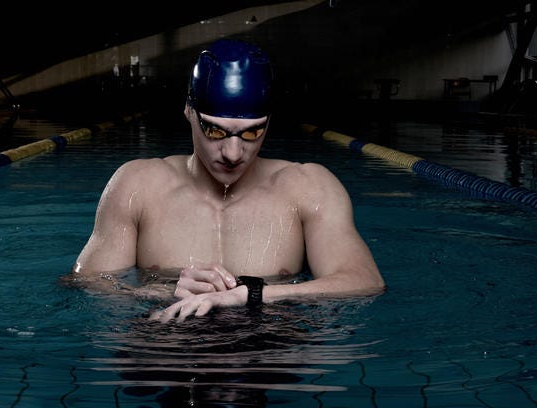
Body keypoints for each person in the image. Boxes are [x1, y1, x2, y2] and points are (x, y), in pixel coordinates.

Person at [71, 38, 385, 322]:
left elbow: (364, 281)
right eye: (215, 131)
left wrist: (251, 295)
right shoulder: (137, 185)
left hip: (268, 353)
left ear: (268, 122)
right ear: (188, 112)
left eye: (252, 132)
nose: (233, 153)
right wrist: (167, 292)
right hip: (165, 351)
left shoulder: (309, 187)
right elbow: (86, 284)